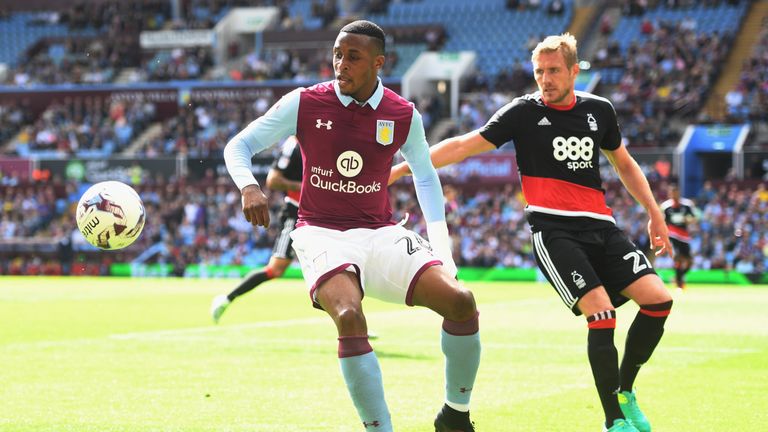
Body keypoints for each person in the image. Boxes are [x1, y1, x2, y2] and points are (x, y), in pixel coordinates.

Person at [390, 33, 673, 432]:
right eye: (539, 71)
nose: (545, 78)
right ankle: (615, 422)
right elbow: (463, 145)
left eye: (554, 70)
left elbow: (623, 163)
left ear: (574, 71)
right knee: (602, 315)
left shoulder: (600, 111)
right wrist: (407, 167)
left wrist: (654, 213)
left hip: (602, 227)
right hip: (554, 230)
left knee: (659, 301)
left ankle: (625, 392)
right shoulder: (523, 112)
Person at [223, 20, 480, 432]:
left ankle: (455, 414)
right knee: (348, 316)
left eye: (353, 57)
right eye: (337, 54)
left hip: (380, 232)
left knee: (462, 302)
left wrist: (443, 250)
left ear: (379, 63)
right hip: (319, 231)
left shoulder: (402, 113)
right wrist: (249, 186)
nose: (341, 64)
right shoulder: (304, 102)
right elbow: (239, 145)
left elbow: (426, 177)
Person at [210, 136, 303, 323]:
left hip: (323, 214)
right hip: (296, 213)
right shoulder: (294, 143)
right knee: (275, 270)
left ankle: (353, 325)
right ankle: (227, 298)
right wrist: (307, 187)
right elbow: (273, 180)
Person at [660, 183, 699, 290]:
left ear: (679, 193)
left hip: (684, 235)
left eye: (675, 192)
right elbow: (662, 221)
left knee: (689, 261)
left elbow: (695, 217)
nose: (674, 194)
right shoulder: (665, 207)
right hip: (672, 234)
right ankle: (679, 284)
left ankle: (678, 277)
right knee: (678, 258)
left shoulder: (687, 205)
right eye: (672, 192)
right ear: (669, 194)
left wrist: (689, 220)